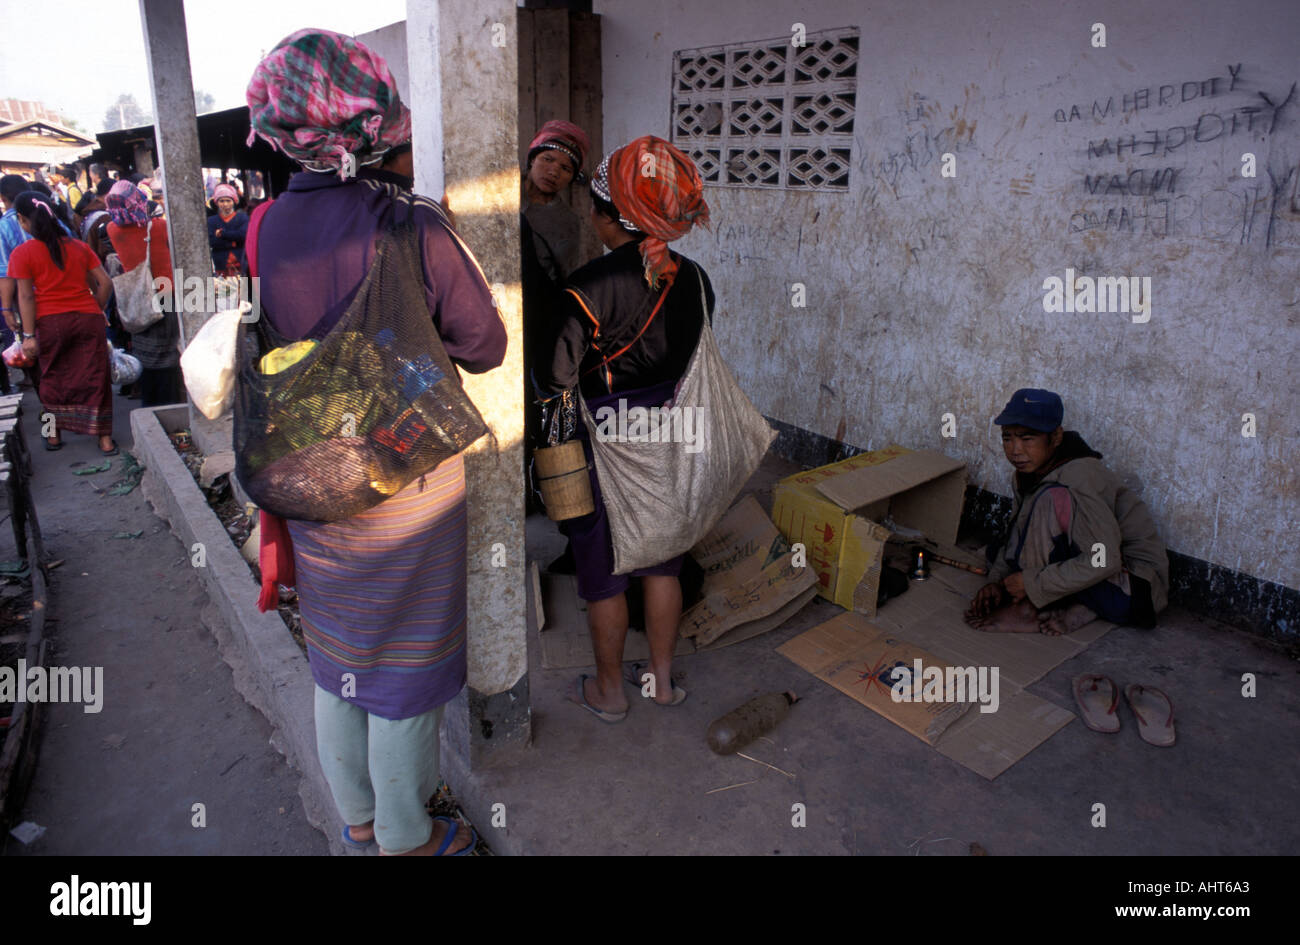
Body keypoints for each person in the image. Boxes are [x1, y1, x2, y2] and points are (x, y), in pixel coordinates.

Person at [242, 28, 505, 856]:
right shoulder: (411, 227)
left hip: (311, 473)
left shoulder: (265, 227)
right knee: (404, 668)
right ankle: (406, 835)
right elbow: (485, 345)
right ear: (374, 126)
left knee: (342, 655)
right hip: (405, 480)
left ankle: (357, 817)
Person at [534, 136, 713, 722]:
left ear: (612, 217)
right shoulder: (696, 281)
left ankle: (610, 693)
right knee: (663, 560)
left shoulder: (586, 288)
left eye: (597, 207)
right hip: (672, 430)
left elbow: (554, 377)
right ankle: (661, 684)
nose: (592, 215)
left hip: (603, 439)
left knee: (605, 569)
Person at [965, 388, 1169, 635]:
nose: (1015, 450)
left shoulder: (1076, 480)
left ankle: (1030, 608)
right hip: (1102, 578)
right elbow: (1016, 532)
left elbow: (1104, 560)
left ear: (1056, 437)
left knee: (1050, 500)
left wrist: (1030, 584)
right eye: (1007, 438)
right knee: (1001, 550)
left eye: (1028, 438)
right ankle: (1080, 608)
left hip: (1137, 591)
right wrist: (997, 583)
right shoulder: (1030, 472)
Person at [6, 191, 116, 453]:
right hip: (88, 319)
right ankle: (105, 439)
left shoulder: (23, 253)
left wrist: (29, 335)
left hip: (50, 323)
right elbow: (106, 283)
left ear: (22, 219)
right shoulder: (79, 246)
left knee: (50, 378)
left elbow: (25, 297)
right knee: (96, 376)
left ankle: (52, 435)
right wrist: (95, 308)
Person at [104, 180, 183, 407]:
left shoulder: (112, 229)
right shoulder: (158, 227)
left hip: (137, 298)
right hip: (165, 293)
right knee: (168, 353)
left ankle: (150, 404)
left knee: (146, 355)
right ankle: (171, 405)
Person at [206, 183, 247, 276]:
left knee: (246, 290)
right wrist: (233, 241)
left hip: (241, 264)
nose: (225, 204)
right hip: (221, 266)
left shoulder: (242, 218)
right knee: (225, 290)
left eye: (228, 200)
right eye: (221, 201)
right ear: (216, 202)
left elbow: (243, 236)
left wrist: (223, 234)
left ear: (234, 201)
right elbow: (212, 241)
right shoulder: (211, 221)